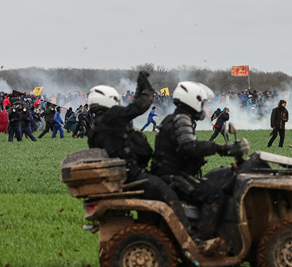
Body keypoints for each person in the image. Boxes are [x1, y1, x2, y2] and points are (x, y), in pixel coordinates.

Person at [86, 73, 220, 252]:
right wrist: (146, 88)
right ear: (111, 101)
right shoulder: (113, 116)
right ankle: (191, 240)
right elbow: (139, 106)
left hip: (122, 173)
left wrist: (139, 89)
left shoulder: (98, 126)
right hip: (132, 172)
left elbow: (130, 112)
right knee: (168, 194)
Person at [151, 81, 249, 250]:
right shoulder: (181, 120)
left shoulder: (173, 118)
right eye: (201, 103)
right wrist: (220, 148)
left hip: (169, 174)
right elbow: (188, 147)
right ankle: (201, 239)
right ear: (192, 101)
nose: (202, 107)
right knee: (215, 194)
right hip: (172, 177)